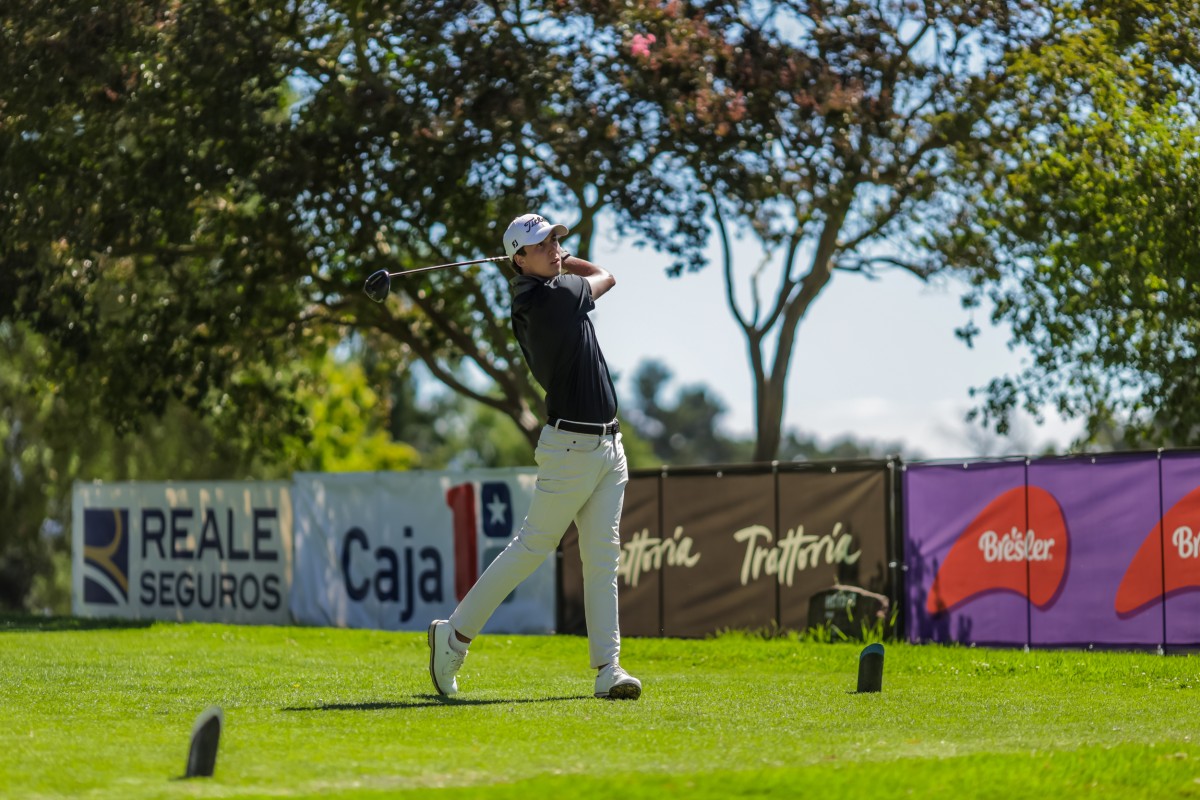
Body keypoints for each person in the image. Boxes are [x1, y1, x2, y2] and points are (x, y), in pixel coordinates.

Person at [427, 212, 641, 701]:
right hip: (572, 450)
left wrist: (552, 259)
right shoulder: (552, 298)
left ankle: (609, 669)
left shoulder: (539, 292)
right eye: (542, 244)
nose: (554, 249)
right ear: (519, 259)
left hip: (608, 446)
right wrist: (567, 261)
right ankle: (453, 637)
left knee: (602, 557)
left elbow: (583, 275)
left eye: (555, 241)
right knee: (531, 548)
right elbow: (606, 275)